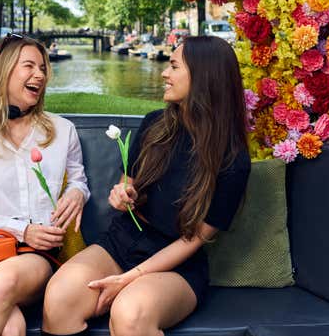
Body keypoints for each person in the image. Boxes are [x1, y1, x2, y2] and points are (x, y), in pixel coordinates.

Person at [41, 36, 251, 336]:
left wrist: (129, 278)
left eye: (174, 66)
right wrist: (121, 195)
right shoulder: (154, 125)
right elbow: (127, 187)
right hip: (122, 241)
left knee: (130, 314)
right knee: (60, 297)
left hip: (177, 264)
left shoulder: (233, 159)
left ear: (204, 76)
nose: (164, 73)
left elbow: (193, 241)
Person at [0, 33, 90, 336]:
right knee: (11, 326)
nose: (40, 74)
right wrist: (22, 229)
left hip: (33, 256)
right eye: (29, 66)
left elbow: (78, 179)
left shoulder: (63, 131)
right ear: (3, 70)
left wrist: (77, 192)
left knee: (6, 278)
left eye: (43, 68)